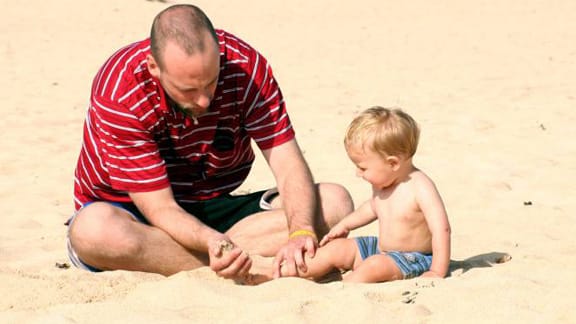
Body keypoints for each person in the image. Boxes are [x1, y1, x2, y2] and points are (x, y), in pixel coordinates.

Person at [66, 4, 353, 282]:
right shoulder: (121, 91)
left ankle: (223, 257)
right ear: (154, 67)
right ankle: (245, 264)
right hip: (136, 213)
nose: (204, 99)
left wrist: (300, 232)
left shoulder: (245, 68)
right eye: (188, 89)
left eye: (212, 82)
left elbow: (288, 164)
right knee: (93, 231)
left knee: (334, 202)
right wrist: (212, 242)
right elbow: (161, 208)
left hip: (212, 206)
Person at [262, 106, 451, 283]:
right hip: (381, 249)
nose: (358, 173)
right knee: (336, 249)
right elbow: (371, 208)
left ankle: (347, 285)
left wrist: (437, 270)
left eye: (362, 168)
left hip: (414, 257)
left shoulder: (420, 187)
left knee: (374, 266)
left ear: (393, 163)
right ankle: (285, 273)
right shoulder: (384, 183)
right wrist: (344, 225)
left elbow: (441, 230)